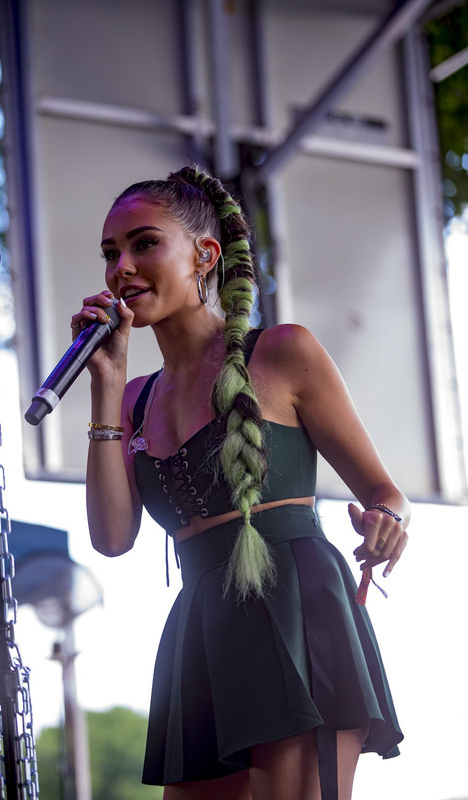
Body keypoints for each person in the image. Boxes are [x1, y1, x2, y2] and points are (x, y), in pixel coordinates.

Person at [71, 165, 409, 800]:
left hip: (294, 603)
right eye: (110, 253)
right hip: (200, 622)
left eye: (144, 244)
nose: (122, 267)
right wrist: (106, 384)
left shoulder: (282, 353)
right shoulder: (134, 400)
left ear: (204, 255)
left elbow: (385, 494)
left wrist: (388, 523)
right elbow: (113, 538)